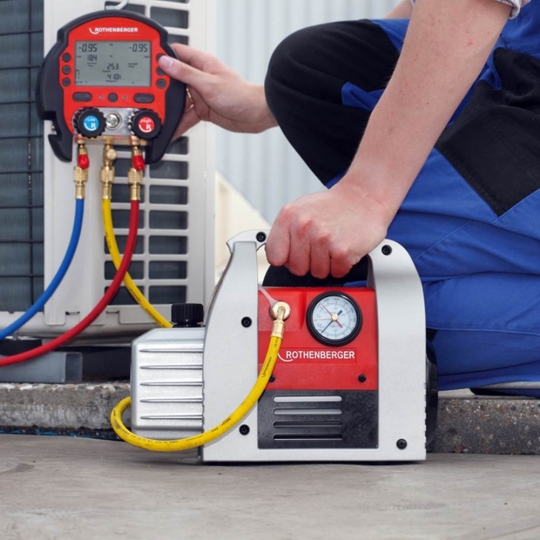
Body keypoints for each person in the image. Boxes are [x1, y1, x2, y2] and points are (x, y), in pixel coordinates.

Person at [158, 0, 540, 394]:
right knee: (306, 71)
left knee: (324, 303)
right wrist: (260, 104)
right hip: (513, 72)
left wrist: (367, 194)